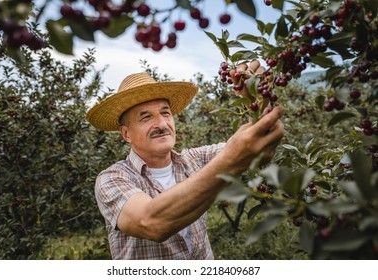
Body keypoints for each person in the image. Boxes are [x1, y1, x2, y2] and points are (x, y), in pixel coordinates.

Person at [85, 61, 284, 259]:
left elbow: (257, 145)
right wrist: (231, 160)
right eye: (146, 118)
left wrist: (257, 98)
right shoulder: (112, 179)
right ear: (126, 134)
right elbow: (151, 222)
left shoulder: (195, 160)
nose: (161, 124)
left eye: (165, 113)